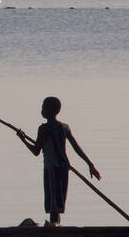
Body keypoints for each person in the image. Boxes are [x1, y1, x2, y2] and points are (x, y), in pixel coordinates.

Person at [16, 96, 100, 226]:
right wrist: (90, 164)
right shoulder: (64, 127)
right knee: (57, 204)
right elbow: (76, 148)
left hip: (52, 168)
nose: (41, 109)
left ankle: (54, 228)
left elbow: (36, 151)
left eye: (44, 106)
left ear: (50, 110)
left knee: (54, 205)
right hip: (64, 169)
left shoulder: (44, 129)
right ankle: (56, 226)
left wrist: (23, 140)